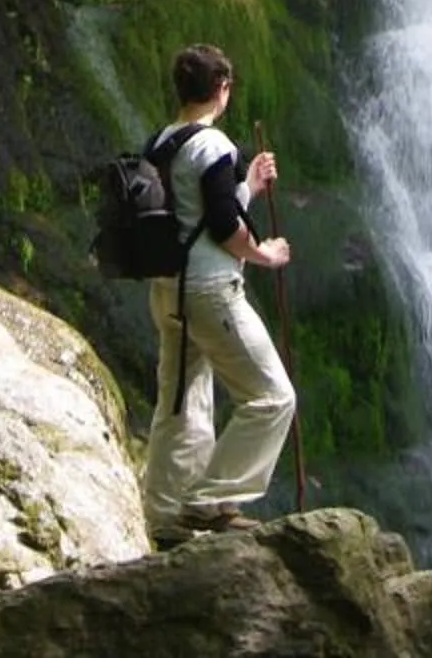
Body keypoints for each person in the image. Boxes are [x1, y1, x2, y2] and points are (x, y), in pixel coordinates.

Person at [138, 40, 296, 546]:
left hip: (169, 292)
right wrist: (264, 254)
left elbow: (200, 213)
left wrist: (247, 182)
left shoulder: (161, 142)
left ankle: (164, 518)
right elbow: (226, 225)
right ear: (222, 89)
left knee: (180, 405)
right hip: (210, 292)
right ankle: (207, 502)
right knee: (273, 397)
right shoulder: (214, 146)